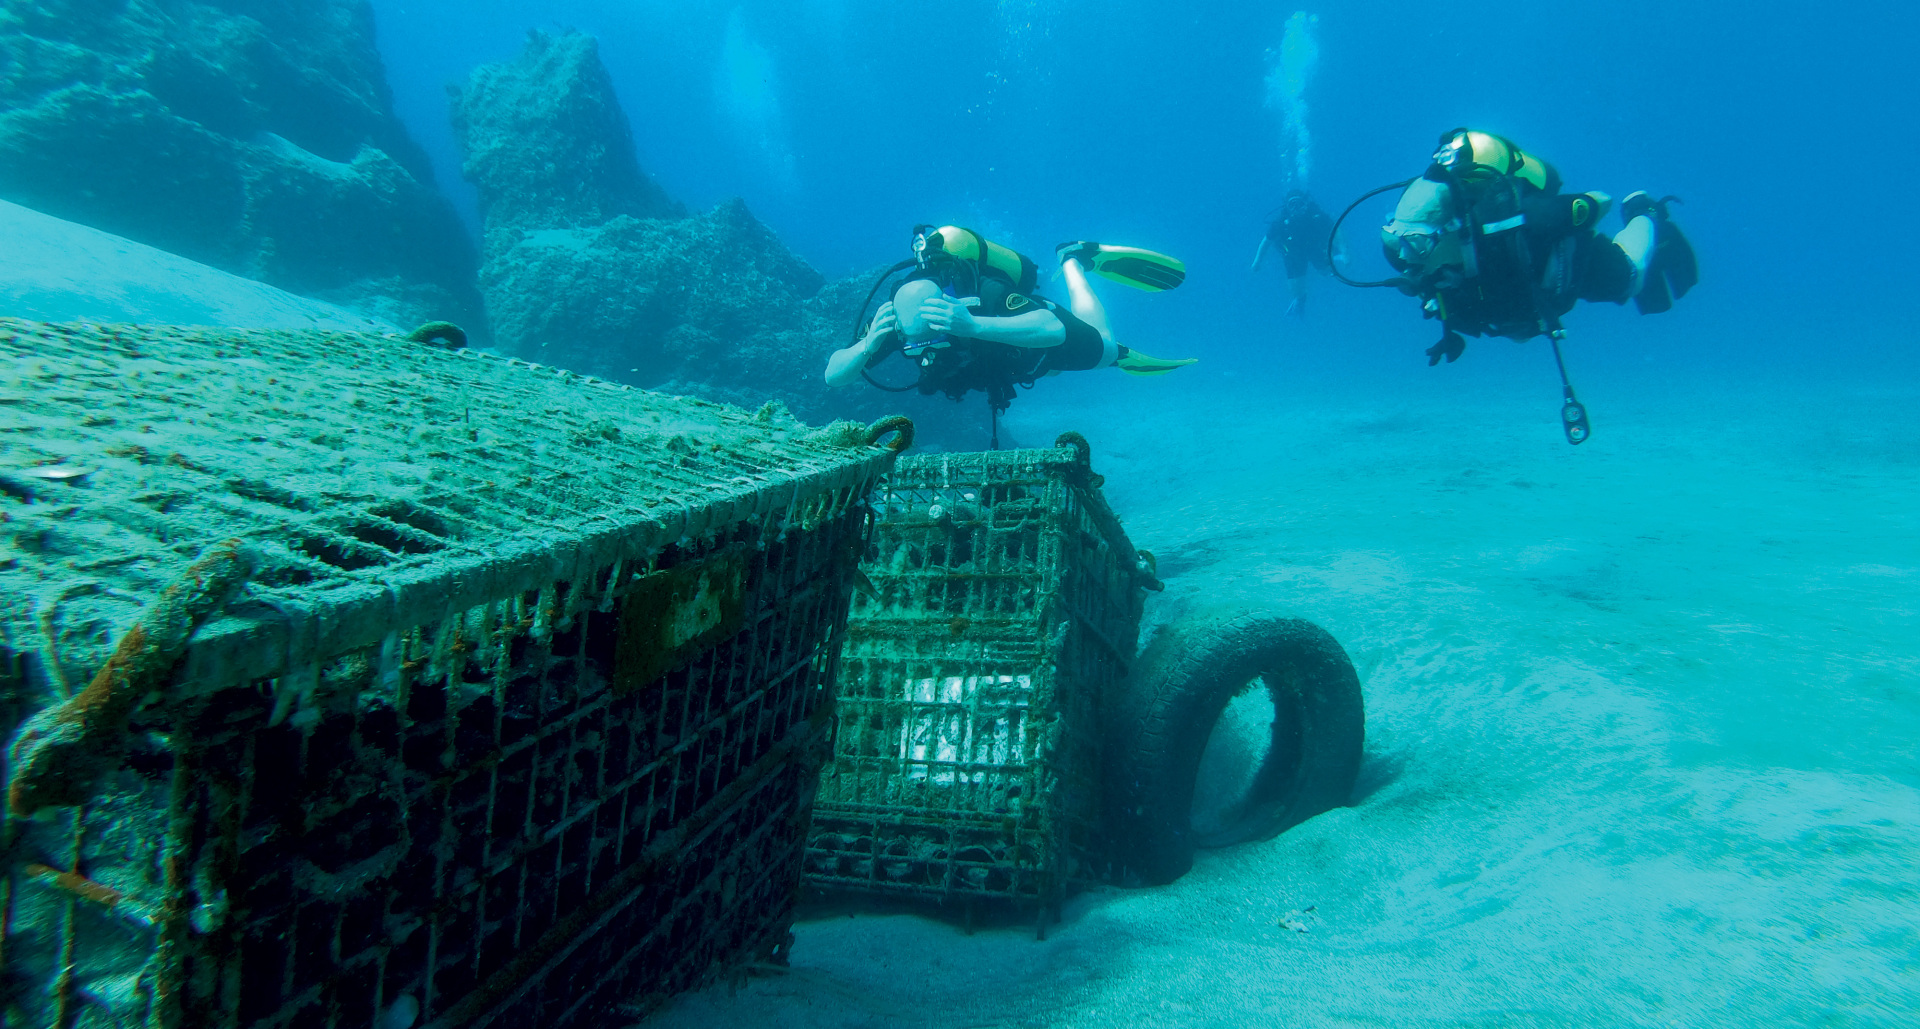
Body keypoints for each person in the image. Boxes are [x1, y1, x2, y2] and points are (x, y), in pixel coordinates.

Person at [825, 226, 1195, 439]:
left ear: (945, 310)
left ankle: (1073, 260)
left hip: (1030, 337)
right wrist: (865, 347)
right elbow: (833, 376)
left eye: (934, 339)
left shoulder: (984, 293)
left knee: (1105, 349)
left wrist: (972, 325)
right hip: (1008, 365)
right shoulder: (896, 323)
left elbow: (1052, 331)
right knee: (1042, 369)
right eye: (913, 346)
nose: (925, 353)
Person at [1377, 128, 1697, 365]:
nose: (1406, 257)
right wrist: (1449, 330)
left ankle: (1644, 213)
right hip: (1521, 301)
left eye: (1414, 243)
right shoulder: (1424, 259)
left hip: (1568, 262)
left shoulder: (1524, 222)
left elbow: (1600, 202)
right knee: (1519, 333)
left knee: (1631, 277)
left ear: (1448, 231)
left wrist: (1563, 215)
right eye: (1396, 241)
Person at [1252, 189, 1346, 317]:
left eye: (1300, 204)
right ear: (1287, 206)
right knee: (1295, 290)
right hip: (1293, 255)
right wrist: (1257, 261)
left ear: (1305, 204)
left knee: (1325, 272)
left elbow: (1336, 230)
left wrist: (1345, 251)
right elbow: (1266, 242)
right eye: (1292, 205)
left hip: (1314, 249)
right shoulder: (1280, 222)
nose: (1296, 208)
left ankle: (1335, 258)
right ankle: (1299, 300)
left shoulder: (1315, 215)